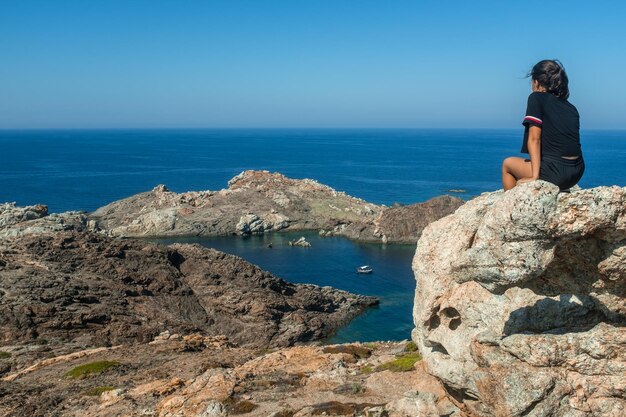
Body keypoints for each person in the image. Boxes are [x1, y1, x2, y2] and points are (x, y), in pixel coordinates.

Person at [501, 60, 584, 191]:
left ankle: (510, 209)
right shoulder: (571, 108)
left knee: (508, 164)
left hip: (556, 173)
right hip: (577, 172)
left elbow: (535, 139)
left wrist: (534, 177)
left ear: (537, 82)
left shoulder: (536, 98)